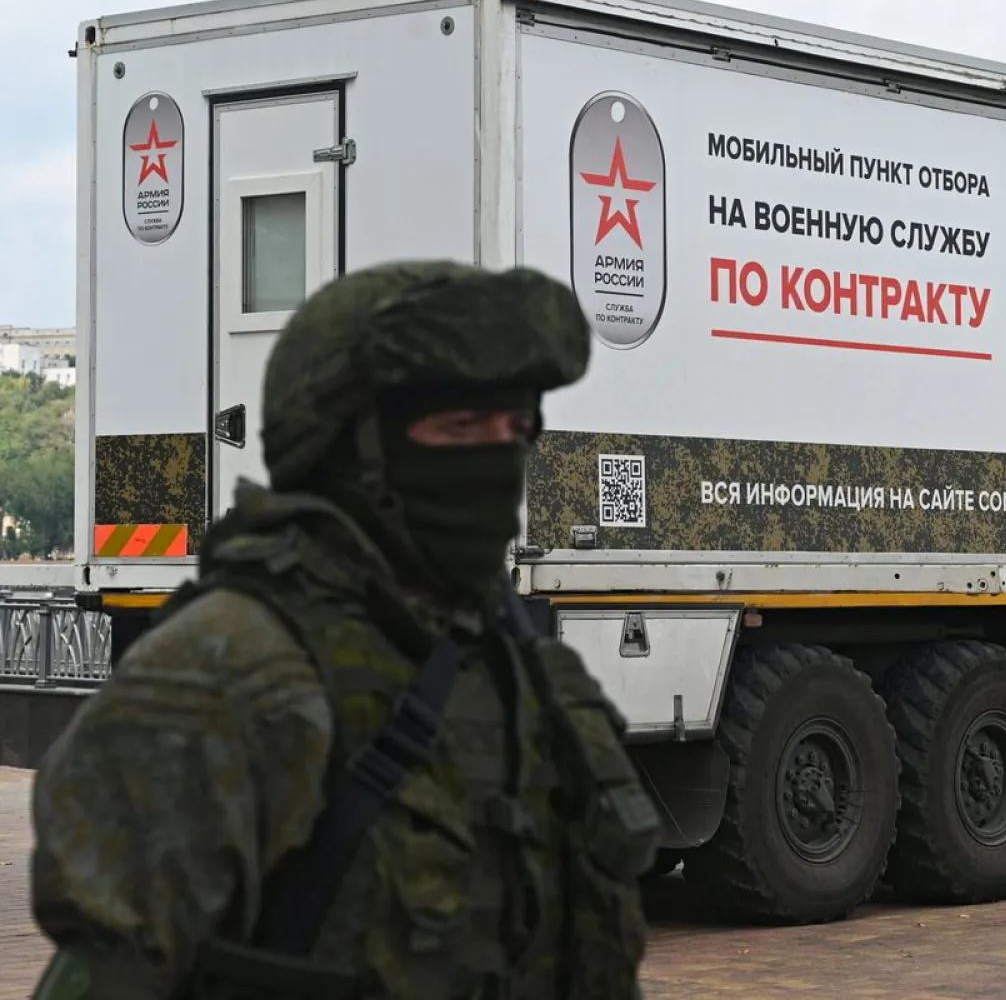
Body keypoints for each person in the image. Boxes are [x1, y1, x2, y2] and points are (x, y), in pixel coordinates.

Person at [29, 261, 662, 1000]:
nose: (499, 457)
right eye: (460, 426)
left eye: (516, 428)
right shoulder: (223, 675)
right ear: (350, 449)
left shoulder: (519, 662)